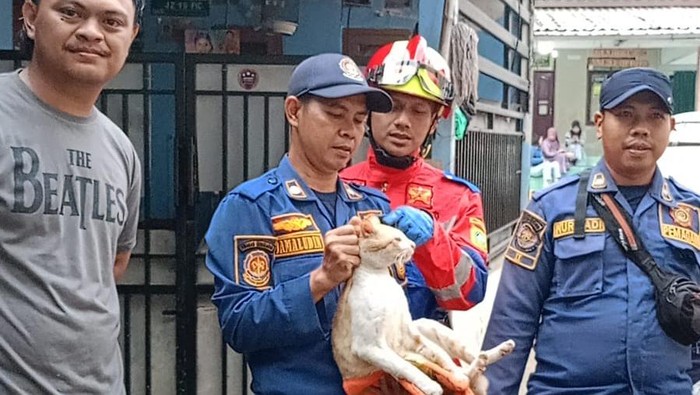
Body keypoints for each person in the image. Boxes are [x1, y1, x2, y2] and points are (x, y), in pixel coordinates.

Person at [482, 67, 700, 394]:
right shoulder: (551, 209)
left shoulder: (692, 215)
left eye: (655, 116)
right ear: (600, 124)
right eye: (625, 115)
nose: (641, 128)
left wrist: (672, 375)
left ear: (670, 126)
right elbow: (512, 322)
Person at [204, 53, 395, 394]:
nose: (348, 131)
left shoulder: (373, 208)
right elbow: (239, 326)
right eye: (335, 115)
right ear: (294, 111)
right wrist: (321, 280)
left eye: (358, 119)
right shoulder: (252, 207)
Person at [0, 0, 143, 393]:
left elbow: (113, 262)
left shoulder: (121, 150)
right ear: (30, 18)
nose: (91, 32)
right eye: (71, 13)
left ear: (130, 37)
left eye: (111, 21)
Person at [341, 34, 489, 322]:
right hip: (350, 358)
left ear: (435, 120)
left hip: (423, 360)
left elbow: (471, 292)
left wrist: (433, 239)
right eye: (392, 106)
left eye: (419, 111)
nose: (403, 121)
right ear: (370, 110)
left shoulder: (458, 197)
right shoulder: (338, 185)